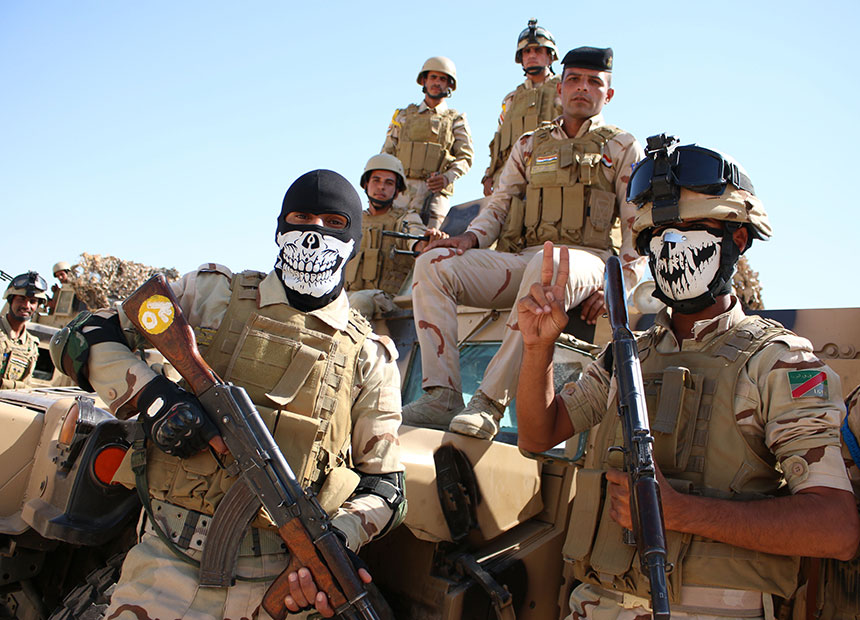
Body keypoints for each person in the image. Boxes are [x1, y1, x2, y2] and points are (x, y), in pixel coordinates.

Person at [515, 137, 860, 619]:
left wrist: (681, 513)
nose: (673, 245)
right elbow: (538, 433)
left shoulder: (778, 362)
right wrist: (537, 350)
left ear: (736, 239)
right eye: (662, 233)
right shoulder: (625, 354)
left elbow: (836, 529)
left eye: (693, 228)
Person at [51, 170, 406, 619]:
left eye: (333, 224)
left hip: (284, 581)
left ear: (354, 239)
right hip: (166, 566)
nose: (314, 234)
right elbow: (81, 337)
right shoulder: (213, 294)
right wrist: (158, 399)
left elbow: (387, 488)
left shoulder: (369, 355)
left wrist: (337, 539)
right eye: (300, 218)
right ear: (280, 229)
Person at [402, 46, 645, 440]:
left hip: (590, 262)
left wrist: (619, 287)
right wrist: (469, 238)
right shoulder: (531, 144)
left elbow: (637, 225)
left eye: (594, 82)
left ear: (608, 94)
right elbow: (499, 204)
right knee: (434, 264)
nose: (583, 88)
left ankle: (489, 400)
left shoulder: (621, 146)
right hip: (528, 262)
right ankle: (441, 394)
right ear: (560, 89)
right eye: (574, 80)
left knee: (549, 263)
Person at [345, 153, 447, 319]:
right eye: (376, 180)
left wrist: (427, 242)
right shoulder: (352, 221)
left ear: (397, 191)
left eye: (389, 183)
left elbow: (416, 236)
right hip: (347, 297)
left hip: (387, 301)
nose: (381, 187)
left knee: (360, 301)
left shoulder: (405, 218)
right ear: (366, 184)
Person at [381, 56, 473, 229]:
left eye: (442, 79)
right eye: (433, 77)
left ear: (449, 85)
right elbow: (387, 154)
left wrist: (447, 178)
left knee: (432, 245)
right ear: (424, 80)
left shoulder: (456, 119)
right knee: (391, 241)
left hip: (434, 195)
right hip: (400, 194)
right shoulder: (403, 116)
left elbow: (466, 157)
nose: (437, 83)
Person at [482, 19, 562, 197]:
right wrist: (489, 175)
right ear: (521, 59)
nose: (532, 55)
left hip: (551, 172)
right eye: (527, 52)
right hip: (511, 178)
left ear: (550, 56)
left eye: (538, 50)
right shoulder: (511, 100)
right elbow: (500, 141)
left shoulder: (564, 89)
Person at [1, 272, 46, 389]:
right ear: (10, 300)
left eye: (32, 302)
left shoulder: (31, 345)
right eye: (21, 299)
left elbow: (26, 385)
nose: (26, 306)